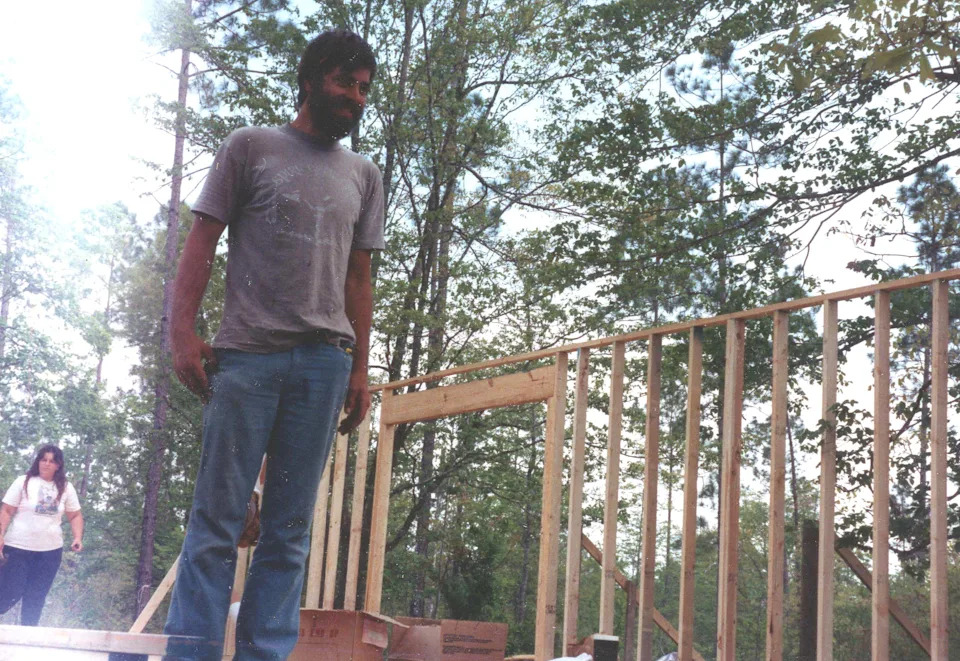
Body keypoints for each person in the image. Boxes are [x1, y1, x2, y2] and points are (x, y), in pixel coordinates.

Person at [163, 29, 384, 660]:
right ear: (312, 78)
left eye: (364, 88)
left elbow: (358, 278)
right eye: (346, 82)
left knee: (288, 532)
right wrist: (182, 332)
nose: (357, 98)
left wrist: (359, 369)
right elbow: (201, 241)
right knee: (216, 525)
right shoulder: (250, 147)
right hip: (247, 358)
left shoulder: (363, 176)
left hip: (323, 364)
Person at [0, 444, 83, 626]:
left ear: (58, 465)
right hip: (18, 548)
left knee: (35, 597)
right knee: (9, 592)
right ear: (38, 461)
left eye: (51, 461)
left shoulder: (66, 488)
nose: (46, 464)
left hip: (49, 552)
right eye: (43, 460)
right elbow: (6, 510)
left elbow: (75, 515)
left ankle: (28, 644)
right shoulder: (24, 481)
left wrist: (77, 537)